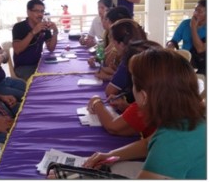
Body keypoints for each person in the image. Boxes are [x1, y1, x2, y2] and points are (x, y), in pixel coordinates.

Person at [83, 49, 206, 179]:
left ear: (144, 96)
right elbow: (149, 143)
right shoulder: (184, 115)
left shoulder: (172, 140)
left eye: (133, 85)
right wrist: (111, 155)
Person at [86, 40, 162, 138]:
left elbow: (112, 126)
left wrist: (96, 101)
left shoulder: (146, 105)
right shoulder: (163, 96)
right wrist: (126, 106)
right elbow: (146, 143)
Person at [12, 0, 58, 81]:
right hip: (23, 67)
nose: (40, 14)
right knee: (42, 82)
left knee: (56, 75)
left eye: (42, 11)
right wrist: (33, 32)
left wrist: (55, 31)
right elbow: (17, 50)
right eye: (36, 11)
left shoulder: (44, 26)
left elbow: (51, 48)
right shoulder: (19, 27)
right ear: (28, 12)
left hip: (39, 63)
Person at [104, 19, 147, 102]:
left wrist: (96, 102)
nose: (113, 46)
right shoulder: (146, 50)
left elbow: (110, 91)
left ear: (121, 44)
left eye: (113, 42)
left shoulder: (130, 59)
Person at [88, 6, 132, 81]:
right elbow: (105, 53)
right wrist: (96, 58)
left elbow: (108, 61)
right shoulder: (112, 35)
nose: (103, 22)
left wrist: (110, 76)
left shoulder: (126, 42)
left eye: (106, 19)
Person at [166, 0, 206, 75]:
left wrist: (193, 27)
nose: (195, 13)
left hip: (201, 63)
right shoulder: (185, 23)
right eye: (195, 10)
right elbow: (174, 40)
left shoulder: (194, 25)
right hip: (184, 60)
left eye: (200, 11)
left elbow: (200, 49)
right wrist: (170, 45)